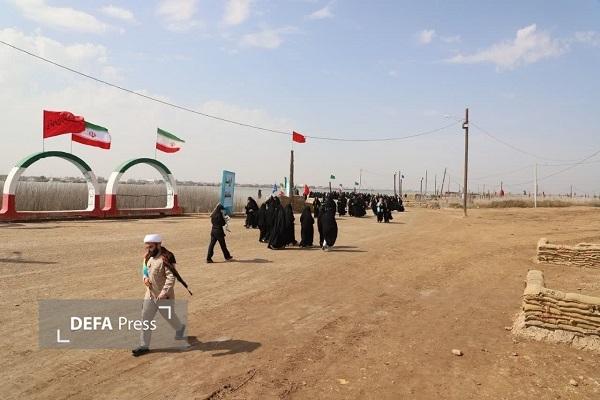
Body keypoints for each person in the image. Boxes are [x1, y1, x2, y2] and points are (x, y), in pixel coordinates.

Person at [132, 234, 186, 357]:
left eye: (151, 247)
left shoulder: (166, 258)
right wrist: (145, 278)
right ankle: (144, 346)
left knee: (169, 316)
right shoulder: (148, 257)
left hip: (164, 297)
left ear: (158, 245)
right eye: (147, 247)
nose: (148, 249)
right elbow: (145, 271)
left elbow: (171, 278)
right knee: (145, 318)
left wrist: (163, 293)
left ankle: (180, 328)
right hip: (150, 295)